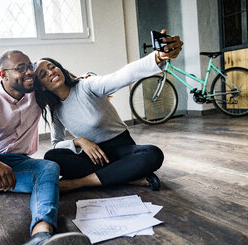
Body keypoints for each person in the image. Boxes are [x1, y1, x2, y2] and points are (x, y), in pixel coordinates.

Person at [0, 50, 91, 245]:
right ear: (3, 74)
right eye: (21, 68)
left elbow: (59, 83)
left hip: (18, 166)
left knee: (50, 167)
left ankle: (41, 237)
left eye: (29, 66)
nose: (29, 72)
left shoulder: (36, 94)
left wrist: (83, 82)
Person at [34, 30, 183, 192]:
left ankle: (80, 182)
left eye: (52, 67)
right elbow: (56, 145)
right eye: (43, 74)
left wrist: (157, 57)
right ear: (41, 86)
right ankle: (126, 176)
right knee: (52, 157)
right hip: (95, 156)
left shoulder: (86, 85)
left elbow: (122, 76)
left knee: (153, 154)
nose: (51, 72)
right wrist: (79, 141)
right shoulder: (56, 110)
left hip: (122, 148)